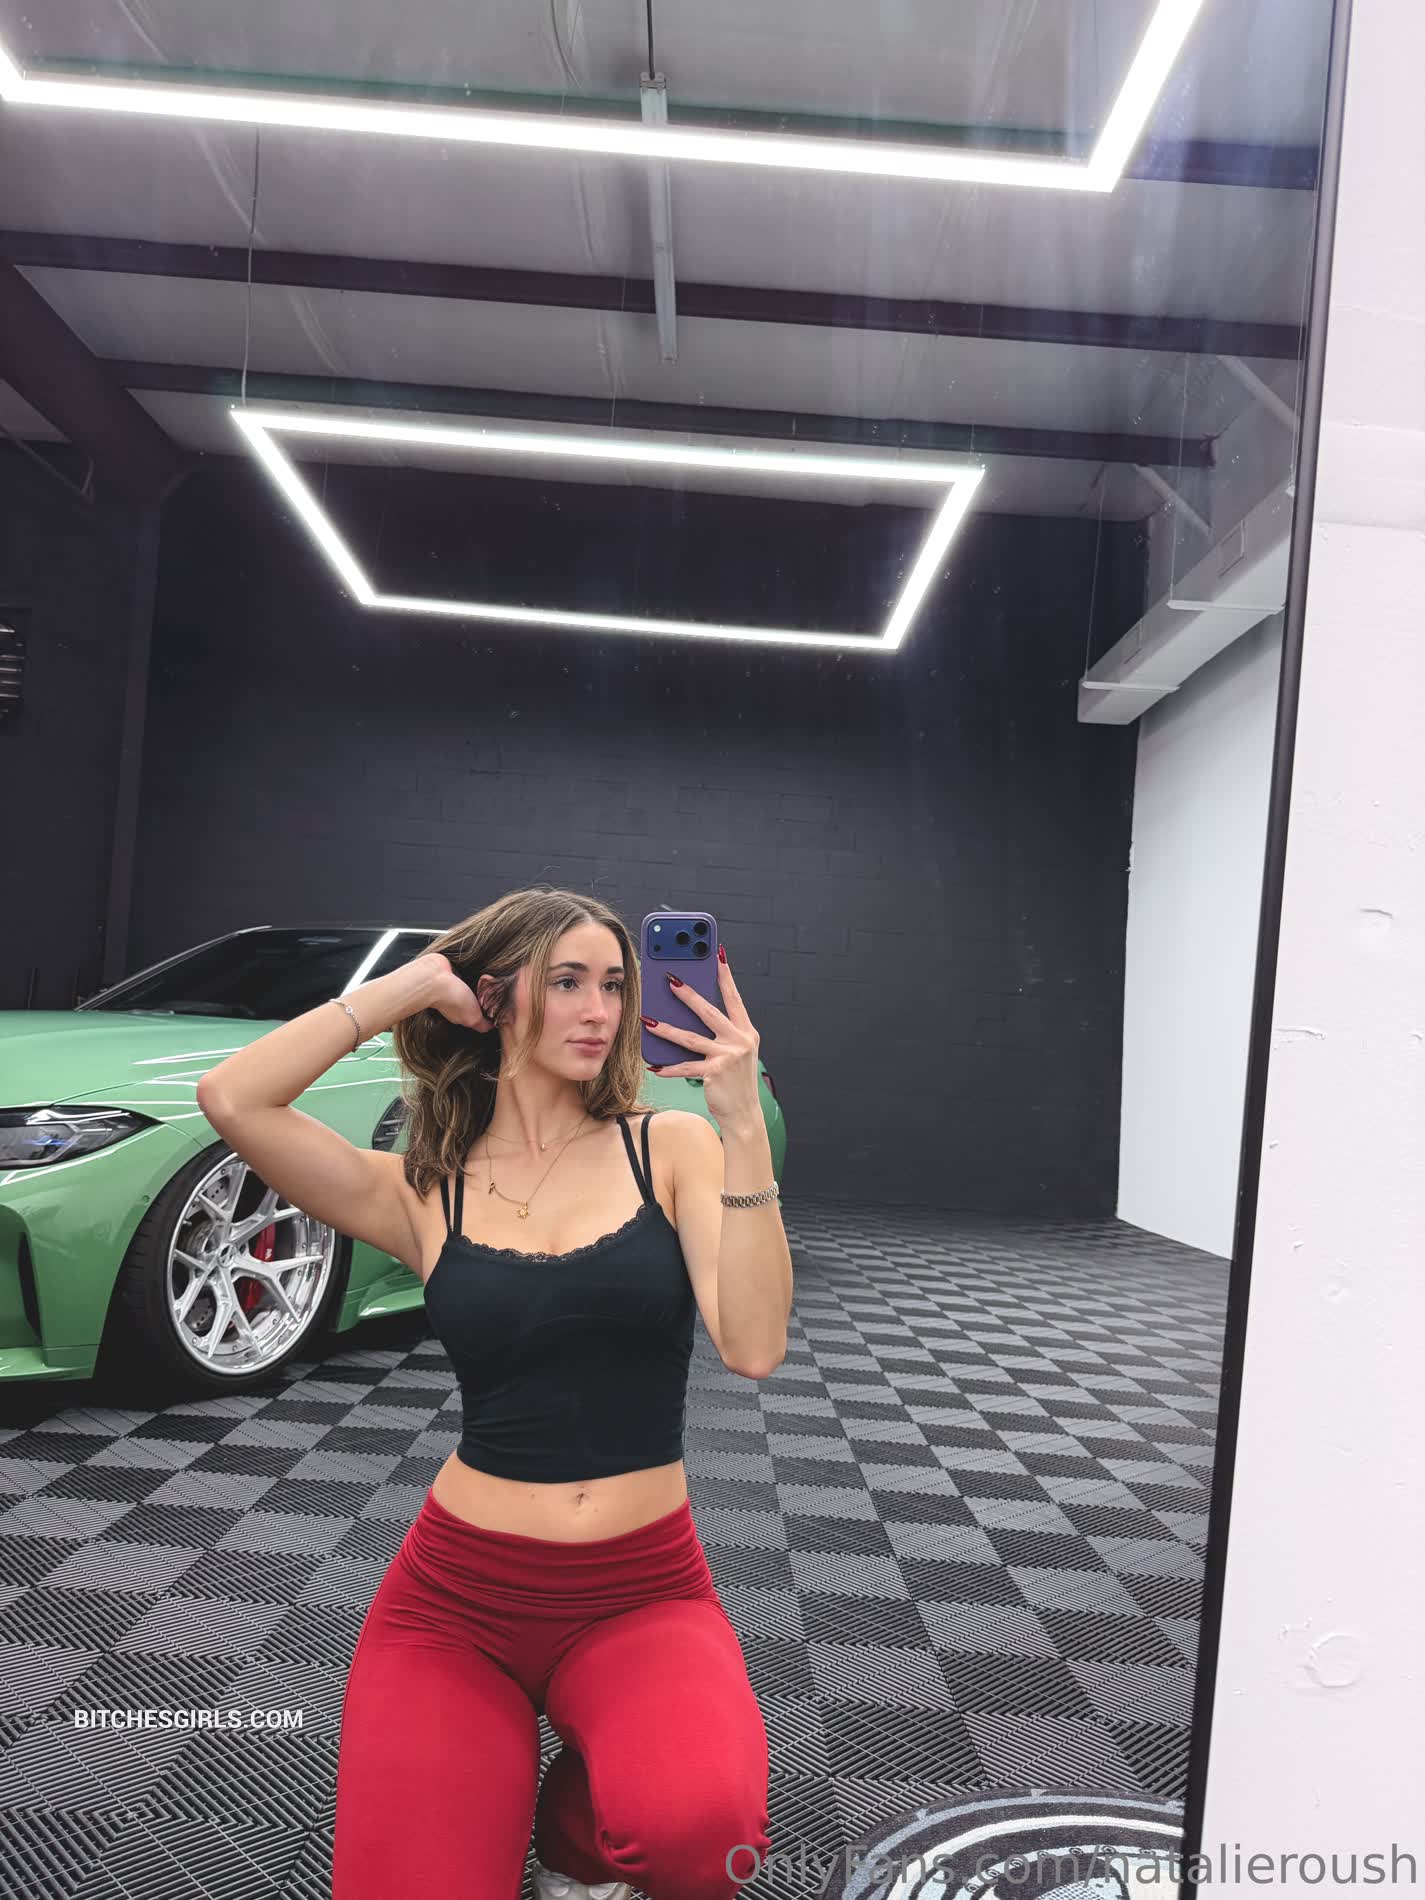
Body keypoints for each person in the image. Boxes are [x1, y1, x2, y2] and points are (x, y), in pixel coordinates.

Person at [194, 888, 791, 1900]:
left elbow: (753, 1345)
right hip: (455, 1606)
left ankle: (574, 1842)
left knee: (696, 1838)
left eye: (615, 984)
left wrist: (741, 1129)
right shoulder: (422, 1187)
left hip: (640, 1591)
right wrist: (409, 985)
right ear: (494, 998)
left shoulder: (669, 1147)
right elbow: (234, 1099)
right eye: (566, 983)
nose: (599, 1010)